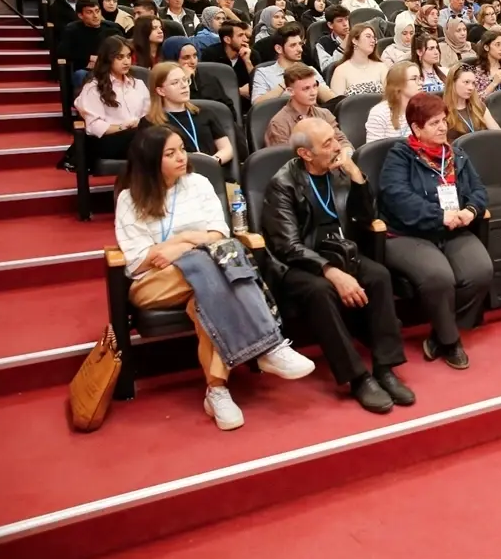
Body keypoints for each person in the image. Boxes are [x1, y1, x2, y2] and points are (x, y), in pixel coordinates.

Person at [115, 127, 314, 430]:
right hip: (153, 282)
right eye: (171, 154)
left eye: (182, 148)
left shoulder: (199, 183)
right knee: (216, 260)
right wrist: (192, 244)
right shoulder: (130, 199)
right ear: (150, 161)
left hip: (203, 273)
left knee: (204, 298)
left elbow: (219, 232)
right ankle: (269, 346)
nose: (182, 157)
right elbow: (138, 260)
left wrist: (180, 242)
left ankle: (217, 390)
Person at [262, 118, 414, 413]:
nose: (337, 147)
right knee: (321, 291)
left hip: (341, 252)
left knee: (379, 276)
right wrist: (332, 273)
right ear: (305, 154)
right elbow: (286, 246)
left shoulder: (340, 171)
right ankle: (357, 377)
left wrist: (356, 175)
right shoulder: (282, 184)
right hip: (299, 264)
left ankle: (385, 367)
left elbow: (366, 217)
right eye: (328, 143)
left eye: (336, 138)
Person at [378, 93, 493, 370]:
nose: (443, 127)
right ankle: (450, 341)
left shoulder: (456, 155)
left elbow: (478, 191)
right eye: (434, 123)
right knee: (439, 277)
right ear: (417, 128)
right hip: (407, 233)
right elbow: (397, 197)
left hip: (452, 229)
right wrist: (439, 216)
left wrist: (470, 211)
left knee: (481, 271)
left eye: (444, 120)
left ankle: (439, 334)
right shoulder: (400, 155)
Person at [141, 62, 234, 167]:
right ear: (161, 91)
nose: (184, 86)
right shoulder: (150, 123)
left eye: (185, 80)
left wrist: (212, 161)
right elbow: (150, 161)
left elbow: (227, 149)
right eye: (175, 82)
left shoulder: (205, 113)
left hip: (213, 175)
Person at [74, 36, 149, 160]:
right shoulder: (93, 87)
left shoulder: (138, 84)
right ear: (108, 59)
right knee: (144, 138)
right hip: (108, 141)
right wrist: (123, 127)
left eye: (128, 56)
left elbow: (148, 114)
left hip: (137, 136)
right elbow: (94, 126)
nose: (126, 62)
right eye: (120, 57)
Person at [265, 64, 354, 151]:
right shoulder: (279, 123)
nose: (313, 92)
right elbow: (284, 160)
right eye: (306, 88)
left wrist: (347, 155)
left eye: (315, 86)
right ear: (290, 91)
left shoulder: (324, 114)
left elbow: (342, 141)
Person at [251, 26, 332, 104]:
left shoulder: (310, 70)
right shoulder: (263, 73)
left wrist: (313, 82)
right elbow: (257, 104)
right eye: (293, 45)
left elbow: (332, 100)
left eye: (300, 44)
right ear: (278, 49)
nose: (300, 49)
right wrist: (286, 83)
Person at [162, 37, 236, 119]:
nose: (193, 62)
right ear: (172, 60)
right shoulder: (163, 82)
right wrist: (186, 80)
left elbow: (229, 111)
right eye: (186, 57)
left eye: (195, 56)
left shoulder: (209, 79)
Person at [60, 0, 124, 84]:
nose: (95, 16)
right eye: (90, 12)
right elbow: (63, 52)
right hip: (86, 69)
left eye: (97, 11)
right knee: (81, 74)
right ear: (80, 15)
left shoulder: (113, 28)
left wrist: (102, 60)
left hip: (110, 66)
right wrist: (89, 58)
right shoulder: (72, 30)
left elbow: (124, 48)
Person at [201, 20, 255, 109]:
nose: (246, 39)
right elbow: (207, 87)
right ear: (227, 39)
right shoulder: (210, 54)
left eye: (245, 35)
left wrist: (247, 61)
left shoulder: (252, 54)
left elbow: (259, 83)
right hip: (219, 106)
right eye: (240, 35)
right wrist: (238, 91)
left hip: (248, 107)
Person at [365, 61, 421, 142]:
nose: (421, 83)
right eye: (414, 79)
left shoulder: (422, 110)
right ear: (398, 84)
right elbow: (373, 152)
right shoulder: (379, 113)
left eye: (420, 78)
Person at [329, 22, 388, 97]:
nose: (373, 41)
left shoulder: (382, 67)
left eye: (374, 38)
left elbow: (390, 98)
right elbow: (337, 104)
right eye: (368, 36)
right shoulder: (340, 71)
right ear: (355, 41)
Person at [444, 64, 500, 141]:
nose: (471, 88)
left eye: (473, 83)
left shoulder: (478, 106)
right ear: (453, 83)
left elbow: (498, 134)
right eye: (466, 82)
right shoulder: (442, 111)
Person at [472, 29, 501, 96]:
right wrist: (494, 83)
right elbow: (477, 100)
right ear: (486, 47)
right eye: (498, 45)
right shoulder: (478, 72)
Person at [315, 5, 351, 72]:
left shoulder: (357, 38)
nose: (345, 24)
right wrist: (343, 46)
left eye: (346, 19)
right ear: (330, 25)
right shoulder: (322, 43)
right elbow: (326, 68)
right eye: (340, 21)